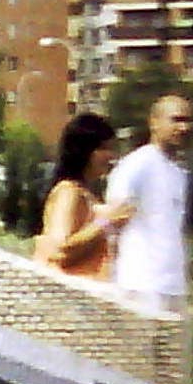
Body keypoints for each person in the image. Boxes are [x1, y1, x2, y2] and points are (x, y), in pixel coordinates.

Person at [104, 94, 193, 312]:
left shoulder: (177, 172)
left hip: (173, 285)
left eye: (188, 121)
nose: (184, 128)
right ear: (154, 122)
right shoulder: (137, 165)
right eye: (176, 120)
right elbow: (113, 219)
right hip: (140, 285)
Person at [34, 111, 135, 279]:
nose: (111, 156)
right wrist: (106, 222)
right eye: (103, 148)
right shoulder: (68, 192)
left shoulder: (87, 193)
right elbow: (59, 251)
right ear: (84, 151)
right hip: (67, 291)